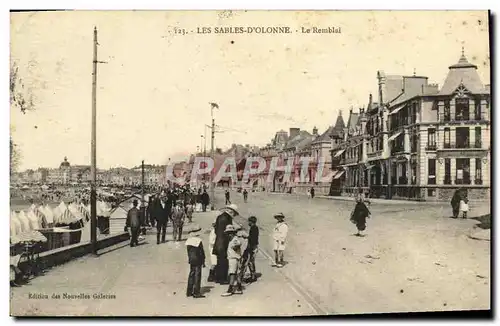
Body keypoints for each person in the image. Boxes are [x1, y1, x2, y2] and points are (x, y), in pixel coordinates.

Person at [213, 204, 239, 284]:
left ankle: (217, 278)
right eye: (234, 213)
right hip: (224, 242)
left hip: (218, 241)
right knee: (224, 261)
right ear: (231, 211)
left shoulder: (220, 216)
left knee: (219, 261)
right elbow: (228, 231)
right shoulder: (227, 218)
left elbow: (216, 230)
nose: (234, 215)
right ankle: (223, 279)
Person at [221, 225, 243, 296]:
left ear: (233, 233)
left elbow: (237, 245)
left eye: (229, 233)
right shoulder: (232, 239)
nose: (228, 235)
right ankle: (239, 288)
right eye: (227, 233)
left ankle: (230, 289)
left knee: (232, 273)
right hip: (234, 258)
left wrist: (235, 247)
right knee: (237, 274)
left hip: (233, 259)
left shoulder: (234, 239)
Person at [185, 229, 206, 298]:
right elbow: (201, 252)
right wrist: (203, 261)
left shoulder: (188, 242)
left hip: (191, 260)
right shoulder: (198, 241)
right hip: (198, 259)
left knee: (191, 274)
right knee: (197, 275)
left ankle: (189, 291)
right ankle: (196, 292)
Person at [242, 216, 259, 282]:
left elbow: (253, 239)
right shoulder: (254, 227)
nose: (248, 223)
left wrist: (247, 237)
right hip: (252, 246)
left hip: (252, 247)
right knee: (250, 262)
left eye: (249, 221)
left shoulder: (253, 228)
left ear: (251, 222)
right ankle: (253, 275)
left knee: (250, 262)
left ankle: (253, 276)